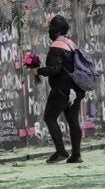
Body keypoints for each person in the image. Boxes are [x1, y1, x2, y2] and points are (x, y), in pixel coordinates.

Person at [30, 14, 84, 164]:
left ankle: (61, 151)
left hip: (62, 89)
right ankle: (76, 155)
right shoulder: (71, 43)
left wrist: (38, 71)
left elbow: (54, 69)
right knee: (73, 120)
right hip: (76, 89)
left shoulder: (56, 46)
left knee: (49, 117)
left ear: (54, 30)